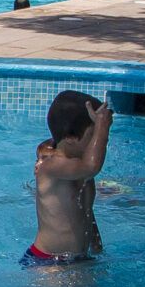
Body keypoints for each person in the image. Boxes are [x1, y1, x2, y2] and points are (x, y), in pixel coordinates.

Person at [29, 90, 113, 267]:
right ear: (70, 138)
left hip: (78, 258)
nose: (97, 140)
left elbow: (84, 210)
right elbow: (92, 166)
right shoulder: (52, 166)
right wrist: (102, 127)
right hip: (49, 263)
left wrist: (96, 244)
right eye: (93, 134)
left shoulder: (78, 168)